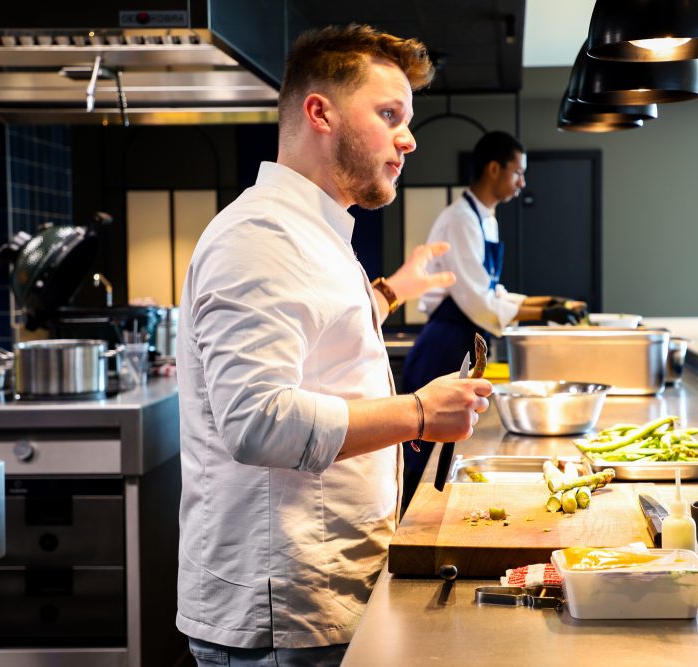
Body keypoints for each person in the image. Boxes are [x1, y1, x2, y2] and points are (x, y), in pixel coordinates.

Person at [175, 24, 493, 666]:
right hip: (284, 607)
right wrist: (422, 413)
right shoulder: (260, 238)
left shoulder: (311, 227)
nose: (408, 139)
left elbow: (319, 333)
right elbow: (259, 421)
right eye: (389, 114)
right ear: (319, 111)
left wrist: (390, 292)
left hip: (323, 590)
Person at [400, 131, 587, 506]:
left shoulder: (487, 220)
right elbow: (477, 301)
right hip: (444, 344)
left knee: (447, 446)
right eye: (518, 173)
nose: (522, 183)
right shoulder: (460, 219)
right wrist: (541, 311)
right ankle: (412, 529)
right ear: (493, 168)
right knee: (422, 455)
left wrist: (547, 304)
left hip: (464, 341)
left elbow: (493, 293)